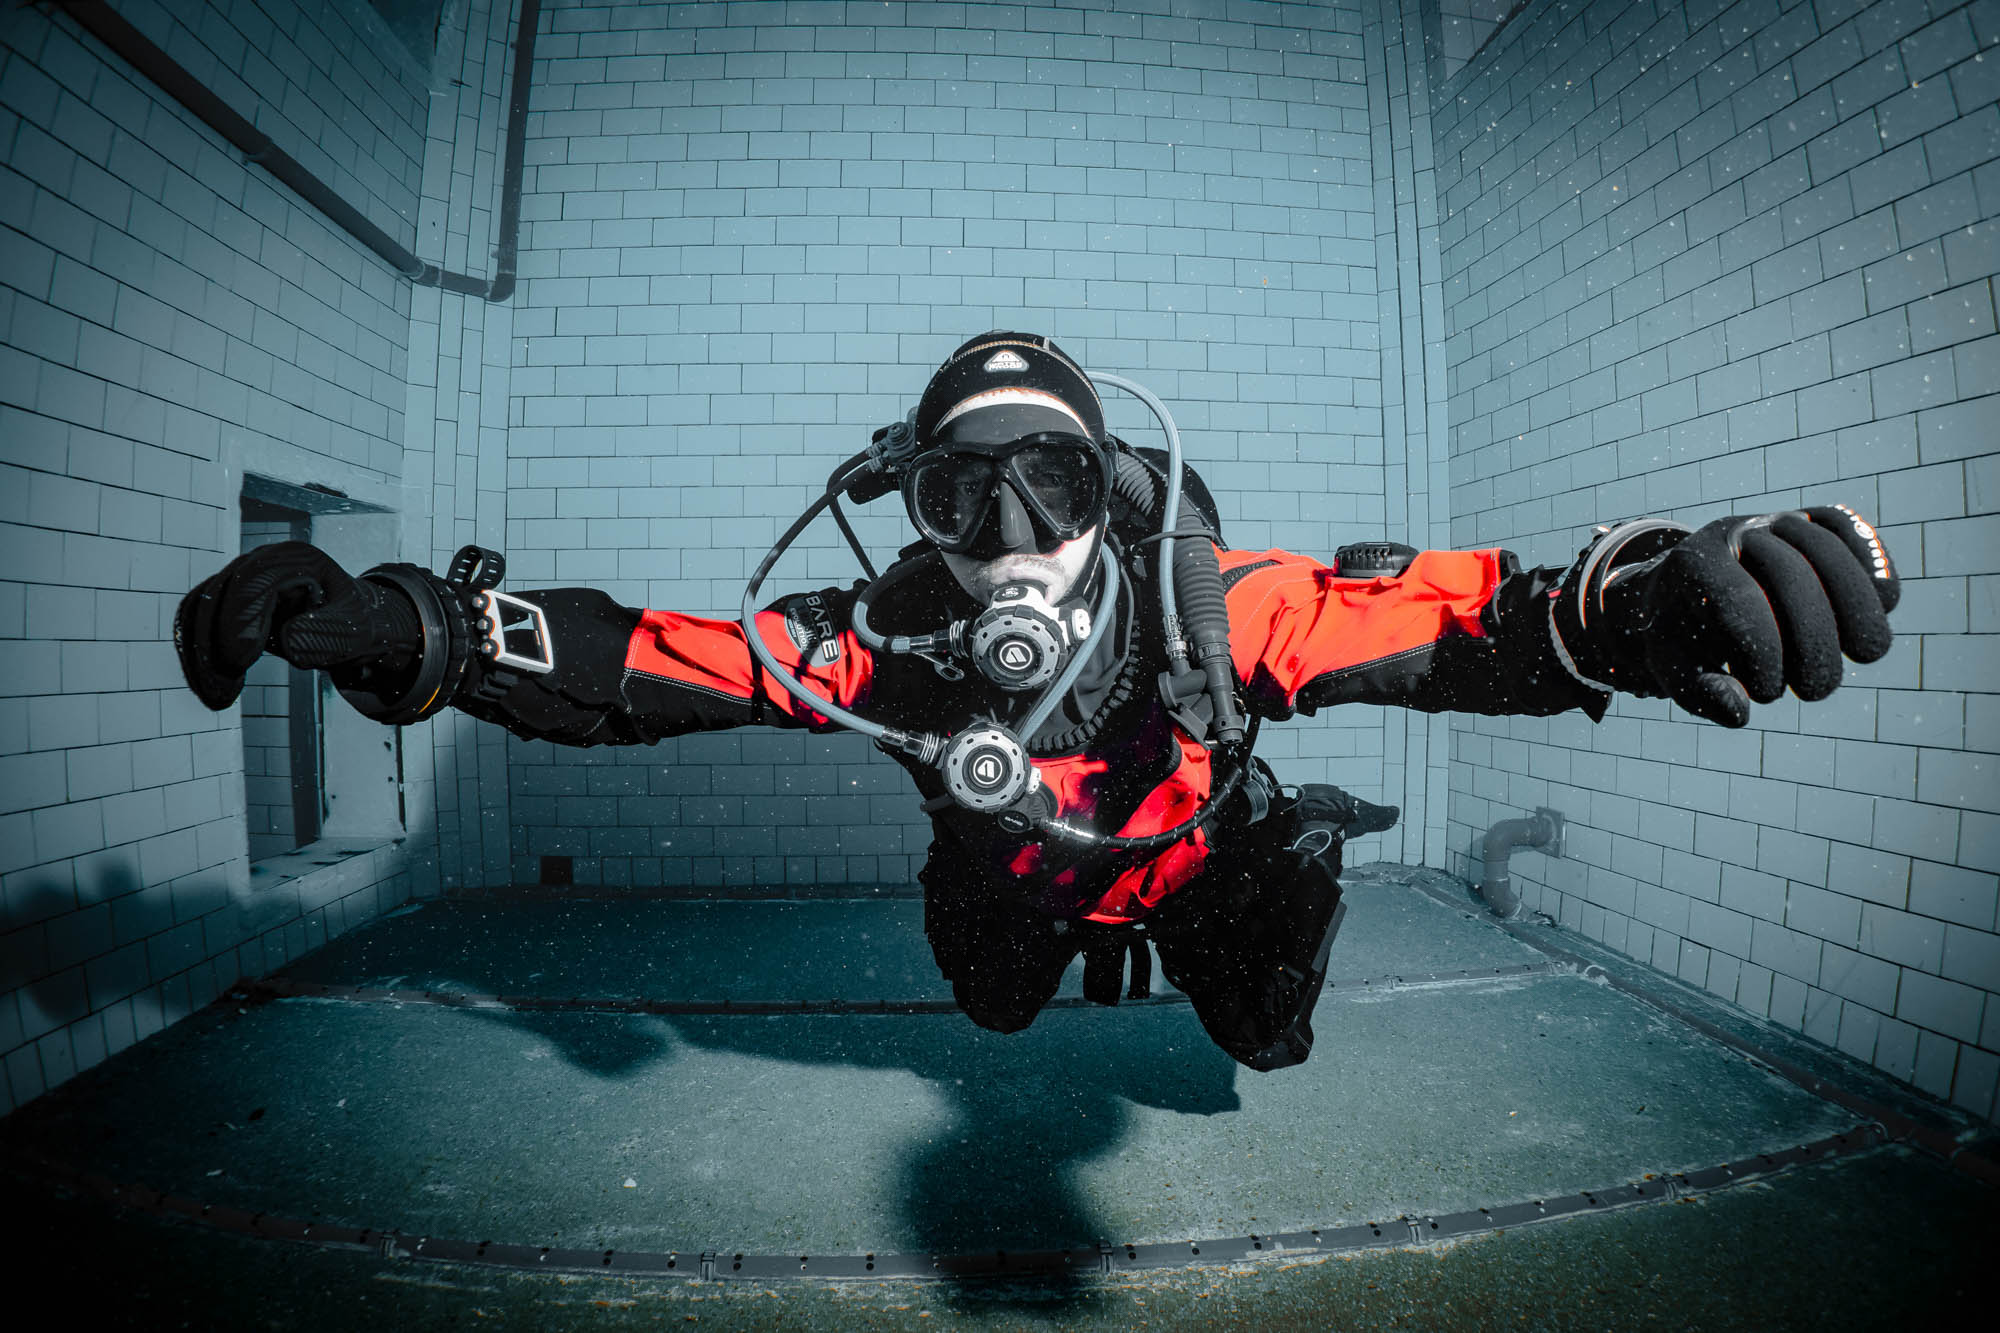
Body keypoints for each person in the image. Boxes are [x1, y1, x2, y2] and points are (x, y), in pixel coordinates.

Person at [175, 332, 1901, 1071]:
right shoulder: (884, 640)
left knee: (1267, 1040)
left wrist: (1635, 604)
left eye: (1051, 485)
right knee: (996, 1011)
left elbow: (1452, 626)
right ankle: (1065, 943)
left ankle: (1294, 851)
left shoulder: (1210, 606)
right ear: (918, 512)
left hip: (1199, 871)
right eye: (963, 494)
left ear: (1108, 490)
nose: (1010, 539)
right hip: (1010, 881)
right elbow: (650, 664)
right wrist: (424, 628)